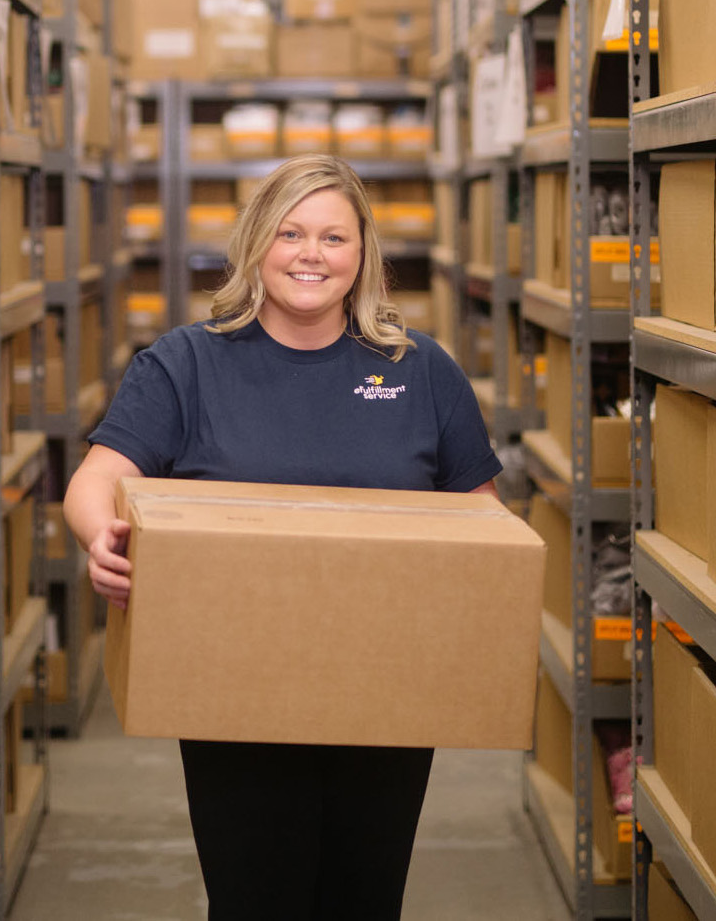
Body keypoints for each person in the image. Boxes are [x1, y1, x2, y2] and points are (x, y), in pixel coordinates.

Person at [63, 153, 502, 921]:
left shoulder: (420, 370)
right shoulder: (186, 365)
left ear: (362, 253)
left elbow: (481, 521)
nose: (311, 254)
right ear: (256, 243)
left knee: (364, 900)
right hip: (235, 693)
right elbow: (95, 480)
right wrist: (103, 537)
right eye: (291, 232)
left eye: (334, 237)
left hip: (388, 694)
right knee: (253, 900)